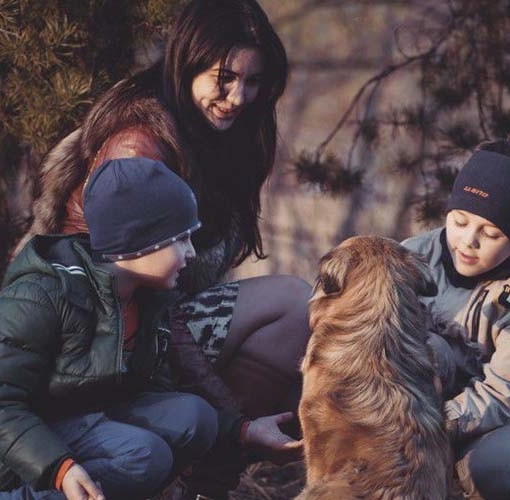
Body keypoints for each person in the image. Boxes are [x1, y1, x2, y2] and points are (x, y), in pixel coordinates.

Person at [16, 1, 309, 496]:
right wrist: (235, 420)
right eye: (225, 77)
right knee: (291, 305)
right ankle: (199, 479)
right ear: (189, 60)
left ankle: (204, 483)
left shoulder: (217, 134)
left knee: (294, 312)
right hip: (100, 341)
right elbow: (126, 301)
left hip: (154, 322)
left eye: (253, 81)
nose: (239, 96)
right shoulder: (138, 145)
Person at [0, 158, 218, 500]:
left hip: (84, 416)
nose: (191, 253)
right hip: (10, 447)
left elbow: (155, 390)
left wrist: (239, 430)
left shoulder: (148, 299)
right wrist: (59, 466)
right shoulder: (43, 292)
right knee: (145, 456)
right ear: (139, 241)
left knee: (197, 418)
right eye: (180, 239)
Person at [402, 140, 510, 500]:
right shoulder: (412, 256)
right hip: (420, 399)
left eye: (490, 234)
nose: (468, 241)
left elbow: (503, 392)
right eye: (459, 221)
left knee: (495, 468)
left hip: (505, 415)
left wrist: (423, 425)